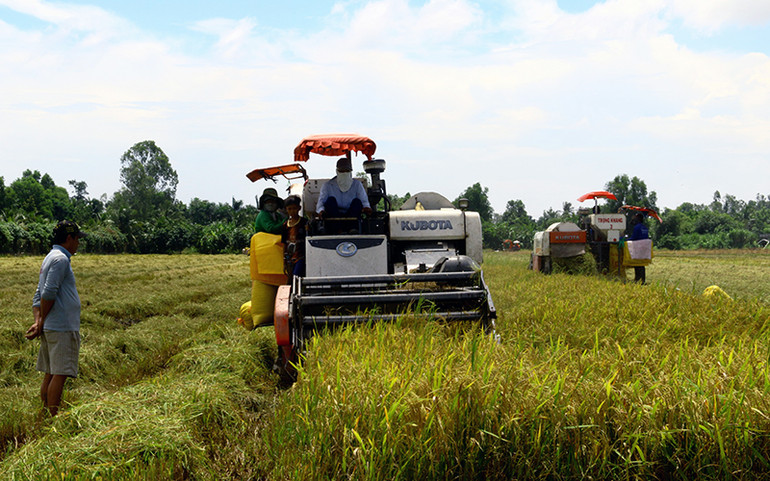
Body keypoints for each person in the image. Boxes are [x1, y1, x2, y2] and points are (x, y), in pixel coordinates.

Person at [26, 220, 87, 417]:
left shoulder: (49, 257)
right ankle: (52, 420)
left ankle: (44, 415)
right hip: (61, 327)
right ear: (69, 238)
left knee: (50, 373)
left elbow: (38, 294)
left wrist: (38, 321)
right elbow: (48, 293)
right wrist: (41, 320)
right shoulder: (61, 259)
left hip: (52, 326)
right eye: (77, 239)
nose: (78, 243)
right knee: (59, 375)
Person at [281, 195, 307, 281]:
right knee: (290, 279)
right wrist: (284, 260)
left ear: (299, 208)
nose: (292, 211)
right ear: (286, 209)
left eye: (294, 208)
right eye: (289, 209)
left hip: (301, 256)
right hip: (289, 258)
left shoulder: (304, 223)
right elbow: (284, 242)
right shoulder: (285, 225)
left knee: (297, 276)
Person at [630, 213, 649, 284]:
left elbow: (634, 238)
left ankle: (637, 279)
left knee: (637, 264)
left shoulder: (637, 227)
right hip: (644, 248)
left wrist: (625, 240)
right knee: (642, 264)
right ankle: (643, 279)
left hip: (638, 247)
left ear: (638, 219)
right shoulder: (644, 227)